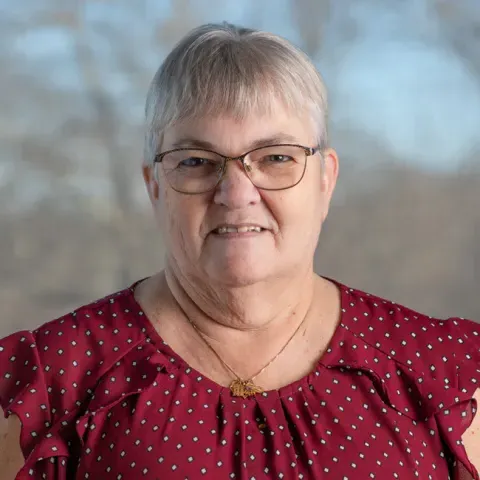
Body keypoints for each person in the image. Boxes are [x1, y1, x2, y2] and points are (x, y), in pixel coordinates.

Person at [0, 22, 479, 480]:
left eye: (275, 157)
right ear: (154, 186)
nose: (235, 192)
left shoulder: (449, 374)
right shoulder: (45, 383)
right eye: (195, 161)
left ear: (326, 180)